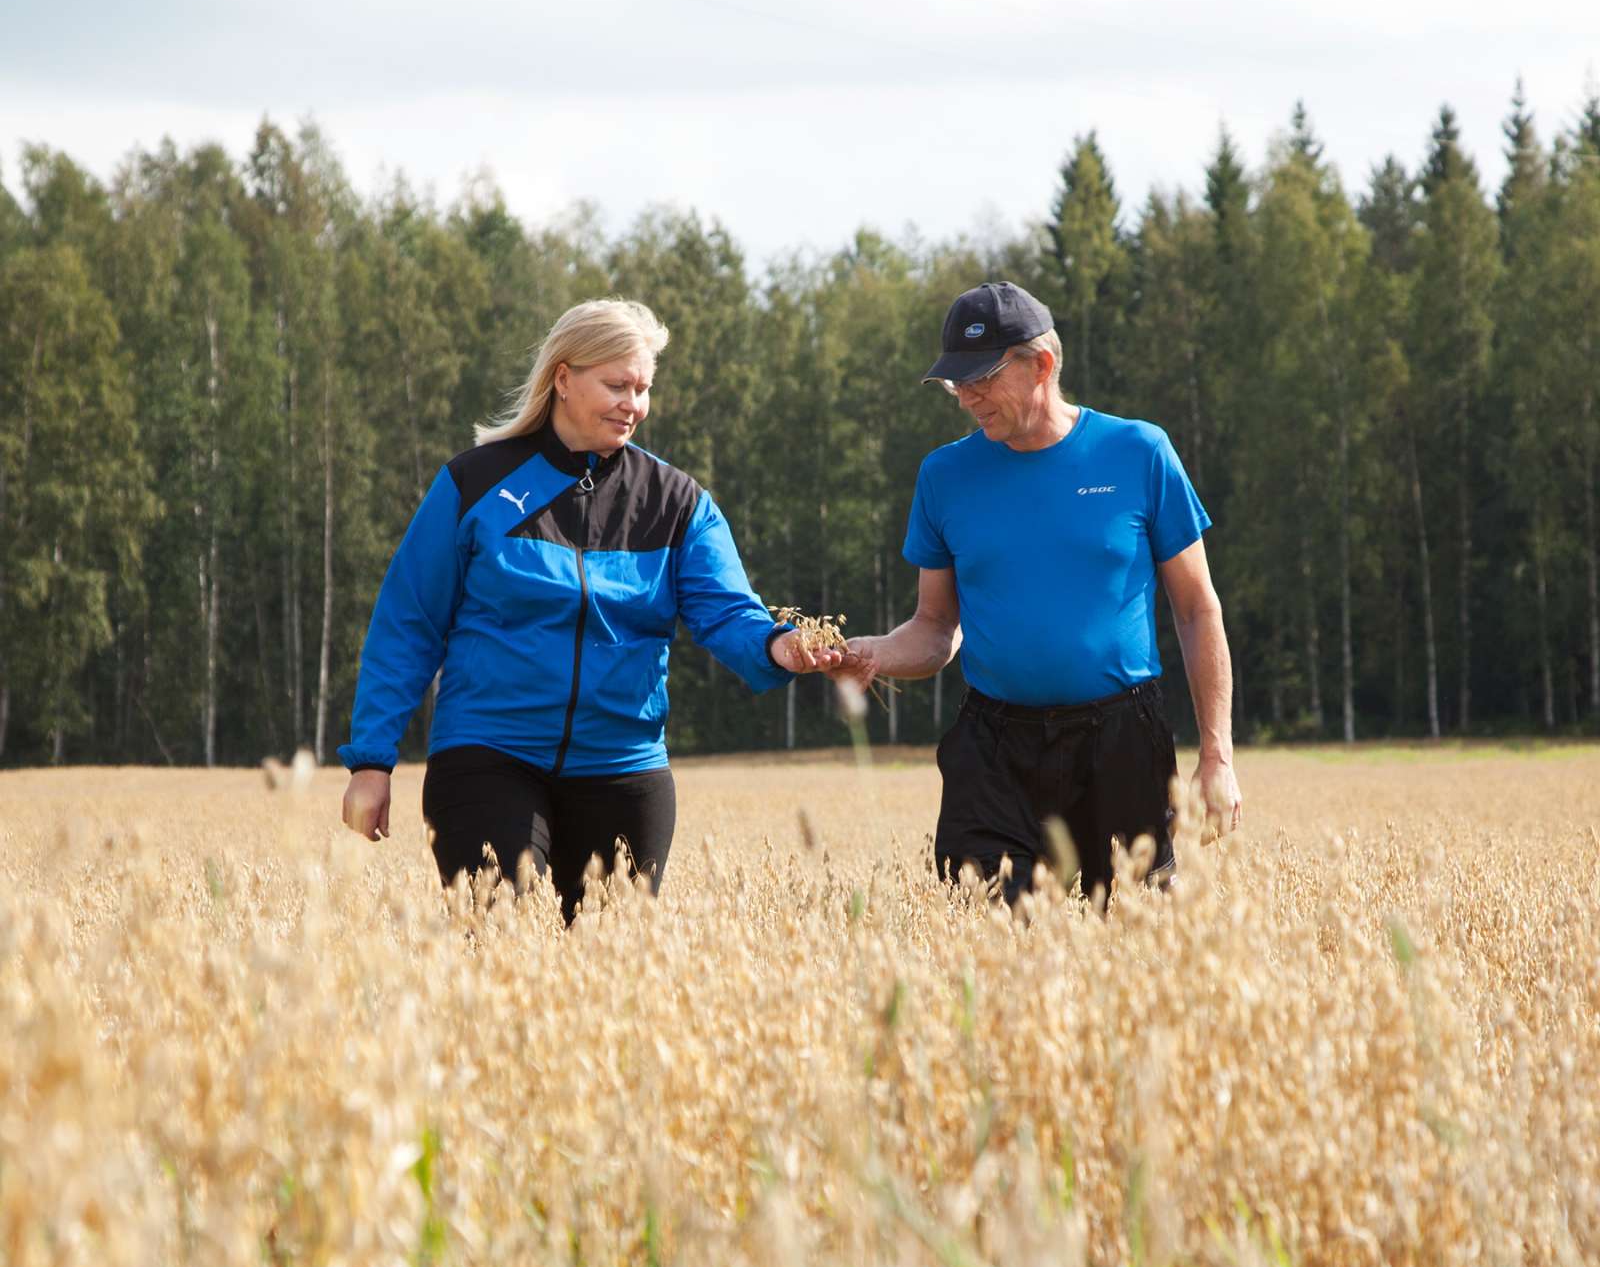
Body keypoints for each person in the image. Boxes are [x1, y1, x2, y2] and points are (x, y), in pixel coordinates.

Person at [338, 298, 838, 921]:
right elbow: (408, 625)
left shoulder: (677, 502)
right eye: (617, 384)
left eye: (644, 387)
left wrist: (777, 645)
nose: (634, 403)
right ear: (564, 378)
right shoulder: (473, 485)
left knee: (611, 974)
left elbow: (727, 611)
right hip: (489, 755)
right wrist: (371, 761)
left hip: (624, 766)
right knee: (501, 950)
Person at [839, 281, 1241, 905]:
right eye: (956, 382)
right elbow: (935, 629)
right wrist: (867, 652)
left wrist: (1217, 755)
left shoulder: (1139, 452)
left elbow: (1196, 608)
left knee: (1132, 945)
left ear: (1043, 365)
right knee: (988, 935)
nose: (967, 397)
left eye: (983, 377)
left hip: (1123, 742)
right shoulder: (944, 476)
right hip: (994, 749)